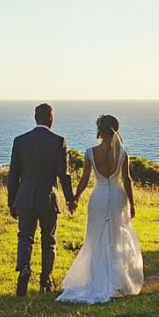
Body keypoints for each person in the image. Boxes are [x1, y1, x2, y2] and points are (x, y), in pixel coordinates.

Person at [57, 114, 144, 304]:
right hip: (117, 196)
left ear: (100, 131)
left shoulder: (90, 153)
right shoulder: (123, 153)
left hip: (98, 197)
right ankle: (117, 279)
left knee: (95, 237)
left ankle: (98, 279)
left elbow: (85, 179)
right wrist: (132, 203)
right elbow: (127, 180)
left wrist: (75, 198)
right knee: (117, 236)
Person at [6, 103, 76, 296]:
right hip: (48, 198)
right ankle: (46, 281)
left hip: (25, 197)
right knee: (49, 240)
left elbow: (13, 175)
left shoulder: (20, 141)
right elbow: (64, 175)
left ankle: (24, 268)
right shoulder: (59, 141)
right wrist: (70, 199)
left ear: (35, 118)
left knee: (25, 237)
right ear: (51, 119)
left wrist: (11, 201)